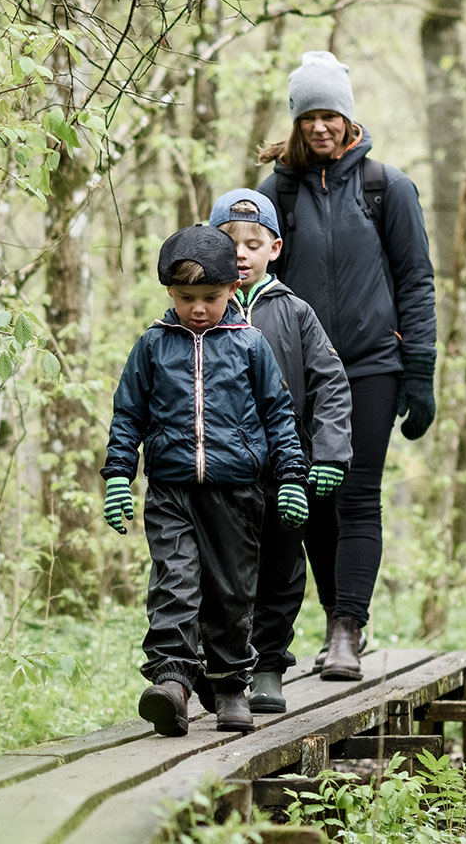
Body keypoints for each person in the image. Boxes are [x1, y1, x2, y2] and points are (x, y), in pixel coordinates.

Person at [257, 50, 437, 682]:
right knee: (307, 497)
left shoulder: (388, 187)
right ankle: (339, 617)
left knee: (357, 496)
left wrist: (420, 368)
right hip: (296, 375)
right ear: (298, 121)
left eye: (331, 115)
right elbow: (249, 277)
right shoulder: (275, 192)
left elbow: (416, 281)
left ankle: (346, 630)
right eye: (310, 117)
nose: (321, 128)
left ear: (348, 117)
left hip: (370, 367)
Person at [101, 225, 310, 737]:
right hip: (171, 489)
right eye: (186, 298)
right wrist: (117, 477)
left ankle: (229, 685)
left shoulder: (251, 345)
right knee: (174, 582)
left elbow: (279, 415)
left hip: (236, 492)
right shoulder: (152, 346)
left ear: (233, 290)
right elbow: (128, 416)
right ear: (169, 293)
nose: (198, 308)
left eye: (210, 298)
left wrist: (290, 478)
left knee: (231, 592)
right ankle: (172, 681)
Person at [208, 189, 352, 714]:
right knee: (222, 573)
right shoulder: (198, 312)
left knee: (281, 569)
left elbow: (330, 384)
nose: (242, 253)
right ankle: (223, 667)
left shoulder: (295, 312)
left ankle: (268, 665)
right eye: (229, 243)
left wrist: (331, 453)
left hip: (286, 470)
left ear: (275, 249)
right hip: (219, 475)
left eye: (253, 243)